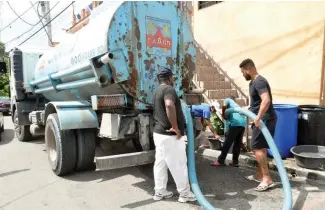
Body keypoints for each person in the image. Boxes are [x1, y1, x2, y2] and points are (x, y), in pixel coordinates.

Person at [152, 67, 196, 203]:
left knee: (160, 164)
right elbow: (169, 105)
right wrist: (175, 127)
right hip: (169, 135)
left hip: (159, 134)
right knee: (178, 164)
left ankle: (159, 192)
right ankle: (185, 194)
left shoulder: (157, 91)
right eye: (173, 78)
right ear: (170, 78)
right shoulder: (169, 90)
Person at [239, 58, 277, 192]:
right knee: (260, 148)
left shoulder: (259, 81)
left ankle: (267, 179)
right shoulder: (253, 83)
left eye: (243, 72)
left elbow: (266, 100)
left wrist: (258, 118)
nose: (243, 74)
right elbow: (256, 104)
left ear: (248, 69)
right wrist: (251, 114)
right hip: (261, 119)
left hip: (265, 119)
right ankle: (260, 174)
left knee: (256, 147)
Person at [210, 96, 247, 167]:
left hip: (235, 124)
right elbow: (228, 122)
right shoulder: (235, 107)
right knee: (237, 144)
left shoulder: (227, 100)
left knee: (227, 143)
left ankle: (221, 161)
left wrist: (223, 113)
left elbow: (224, 105)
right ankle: (235, 162)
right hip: (242, 124)